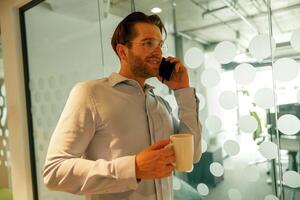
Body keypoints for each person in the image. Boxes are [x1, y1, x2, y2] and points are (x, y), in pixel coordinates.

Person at [43, 11, 202, 200]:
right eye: (148, 43)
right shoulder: (90, 93)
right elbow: (54, 172)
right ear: (122, 51)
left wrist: (182, 91)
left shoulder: (160, 105)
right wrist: (134, 168)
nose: (159, 52)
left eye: (160, 44)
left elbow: (191, 156)